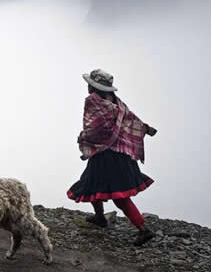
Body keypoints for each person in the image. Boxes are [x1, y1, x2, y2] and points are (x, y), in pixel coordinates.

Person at [67, 68, 158, 247]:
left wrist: (84, 137)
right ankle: (100, 217)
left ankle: (143, 229)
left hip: (105, 155)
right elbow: (130, 119)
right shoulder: (116, 101)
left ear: (93, 87)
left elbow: (95, 129)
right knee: (94, 184)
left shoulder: (92, 100)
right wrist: (145, 128)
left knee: (110, 192)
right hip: (122, 155)